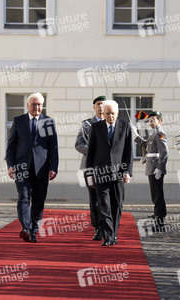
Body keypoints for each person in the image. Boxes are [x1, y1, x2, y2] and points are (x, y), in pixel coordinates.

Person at [6, 92, 59, 243]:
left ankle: (33, 230)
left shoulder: (48, 122)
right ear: (28, 105)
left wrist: (53, 167)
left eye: (39, 104)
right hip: (21, 167)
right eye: (34, 104)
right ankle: (26, 228)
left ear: (42, 106)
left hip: (42, 168)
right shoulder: (19, 121)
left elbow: (53, 147)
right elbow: (11, 146)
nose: (37, 107)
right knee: (23, 197)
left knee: (38, 200)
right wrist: (10, 166)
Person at [86, 100, 133, 246]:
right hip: (100, 173)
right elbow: (91, 152)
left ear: (117, 113)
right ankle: (108, 236)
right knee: (104, 205)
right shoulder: (96, 127)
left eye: (113, 113)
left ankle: (114, 233)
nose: (110, 116)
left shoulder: (125, 126)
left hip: (118, 173)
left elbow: (128, 152)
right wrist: (89, 175)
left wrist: (127, 172)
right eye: (107, 114)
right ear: (103, 114)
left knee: (117, 205)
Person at [75, 95, 106, 241]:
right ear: (94, 107)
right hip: (90, 166)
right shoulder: (87, 124)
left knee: (106, 198)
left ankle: (108, 226)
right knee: (94, 199)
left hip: (107, 166)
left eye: (103, 104)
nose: (101, 106)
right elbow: (78, 144)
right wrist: (93, 150)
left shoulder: (111, 122)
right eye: (98, 104)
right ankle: (97, 227)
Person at [131, 111, 169, 229]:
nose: (151, 122)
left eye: (154, 119)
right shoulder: (154, 133)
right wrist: (136, 135)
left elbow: (165, 152)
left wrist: (160, 168)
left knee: (157, 194)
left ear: (160, 121)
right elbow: (147, 145)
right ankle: (158, 214)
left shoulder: (159, 133)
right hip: (151, 166)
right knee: (155, 193)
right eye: (150, 120)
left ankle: (160, 220)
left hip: (155, 167)